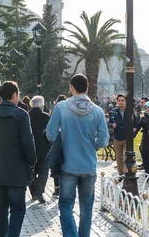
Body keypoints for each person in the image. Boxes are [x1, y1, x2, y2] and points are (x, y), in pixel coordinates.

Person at [46, 74, 109, 237]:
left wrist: (65, 140)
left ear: (71, 88)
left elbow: (50, 134)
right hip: (88, 165)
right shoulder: (97, 111)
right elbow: (104, 140)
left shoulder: (61, 107)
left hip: (68, 164)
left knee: (66, 205)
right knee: (87, 208)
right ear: (87, 88)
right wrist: (89, 145)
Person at [0, 81, 36, 237]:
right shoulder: (22, 115)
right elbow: (28, 143)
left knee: (1, 207)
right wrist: (32, 163)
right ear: (14, 95)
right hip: (17, 170)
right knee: (18, 209)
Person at [28, 95, 51, 203]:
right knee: (43, 172)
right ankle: (39, 192)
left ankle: (33, 193)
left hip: (29, 148)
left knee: (30, 172)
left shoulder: (26, 116)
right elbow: (50, 133)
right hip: (43, 149)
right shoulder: (46, 117)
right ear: (42, 105)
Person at [109, 94, 137, 176]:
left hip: (127, 138)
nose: (121, 102)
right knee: (119, 157)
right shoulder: (114, 112)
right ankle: (121, 173)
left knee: (128, 156)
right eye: (119, 101)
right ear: (117, 102)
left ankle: (128, 172)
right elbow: (110, 123)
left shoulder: (130, 111)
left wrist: (133, 132)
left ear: (125, 101)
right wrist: (112, 125)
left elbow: (135, 124)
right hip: (117, 138)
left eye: (122, 100)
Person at [51, 94, 67, 197]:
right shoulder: (68, 111)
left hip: (56, 141)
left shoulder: (54, 111)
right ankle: (64, 187)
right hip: (66, 140)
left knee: (55, 164)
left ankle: (57, 188)